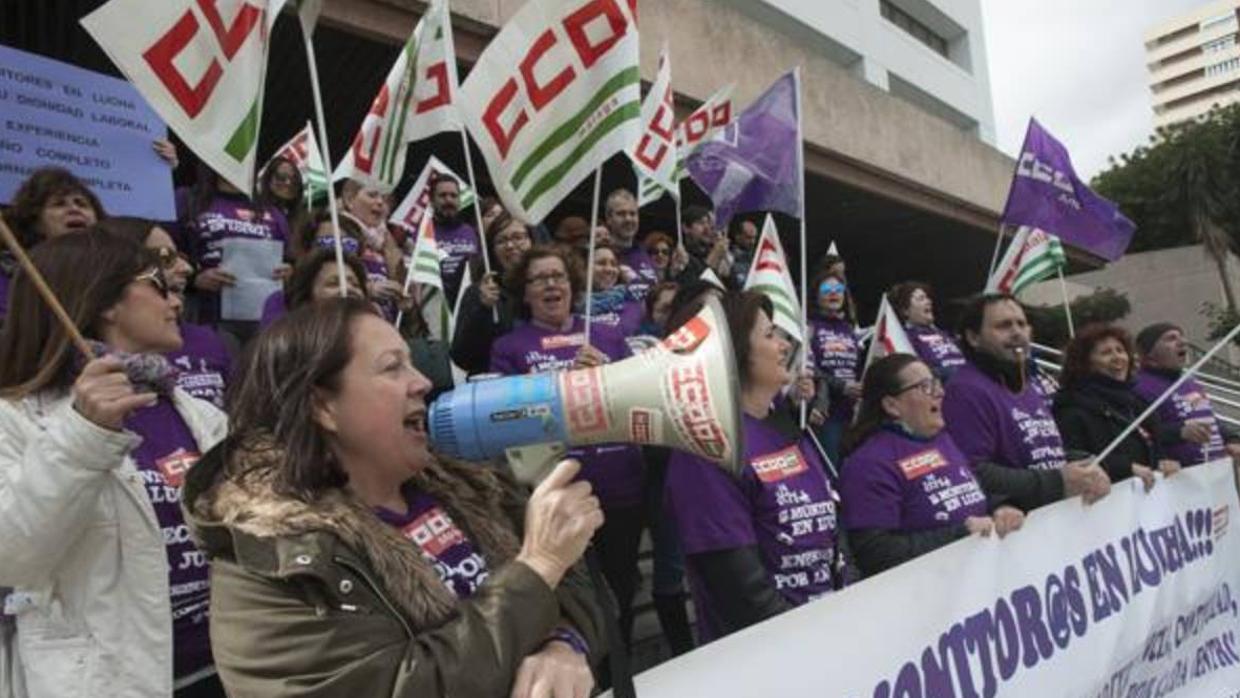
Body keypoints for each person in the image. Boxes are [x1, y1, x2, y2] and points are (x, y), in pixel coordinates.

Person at [181, 298, 605, 696]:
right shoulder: (271, 564)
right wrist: (538, 567)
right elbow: (400, 686)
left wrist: (565, 644)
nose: (422, 382)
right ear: (322, 406)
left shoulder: (467, 486)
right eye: (392, 368)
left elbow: (576, 584)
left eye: (413, 365)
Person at [0, 230, 228, 697]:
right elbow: (11, 558)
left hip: (225, 670)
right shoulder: (16, 418)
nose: (175, 295)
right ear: (105, 301)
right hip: (108, 682)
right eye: (156, 283)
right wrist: (84, 435)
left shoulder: (196, 412)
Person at [664, 291, 843, 645]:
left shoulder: (789, 430)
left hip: (828, 632)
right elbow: (741, 591)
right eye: (768, 335)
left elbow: (835, 536)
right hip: (772, 654)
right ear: (733, 352)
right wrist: (807, 640)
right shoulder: (708, 448)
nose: (784, 345)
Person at [490, 245, 646, 648]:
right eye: (539, 279)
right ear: (524, 294)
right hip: (557, 493)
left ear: (573, 284)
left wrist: (607, 377)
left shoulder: (608, 335)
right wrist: (565, 387)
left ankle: (622, 669)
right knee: (580, 599)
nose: (550, 284)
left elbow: (637, 397)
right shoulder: (509, 348)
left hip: (620, 487)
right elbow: (509, 420)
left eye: (558, 276)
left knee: (621, 589)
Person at [840, 355, 1024, 578]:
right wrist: (959, 535)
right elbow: (876, 554)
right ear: (892, 405)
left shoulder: (942, 439)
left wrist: (1001, 508)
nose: (940, 392)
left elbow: (967, 494)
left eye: (936, 382)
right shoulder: (868, 463)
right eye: (925, 387)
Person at [941, 294, 1110, 512]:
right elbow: (972, 470)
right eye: (1004, 326)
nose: (1017, 332)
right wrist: (1057, 481)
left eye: (1022, 324)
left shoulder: (1024, 382)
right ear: (973, 338)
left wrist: (1087, 463)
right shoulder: (965, 390)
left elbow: (1040, 452)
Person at [98, 216, 234, 411]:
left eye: (182, 257)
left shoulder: (208, 340)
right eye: (165, 257)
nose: (187, 269)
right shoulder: (81, 385)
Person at [1053, 324, 1179, 488]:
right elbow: (1074, 458)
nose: (1117, 357)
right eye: (1106, 353)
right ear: (1086, 363)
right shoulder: (1071, 407)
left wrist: (1163, 463)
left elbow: (1154, 446)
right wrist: (1126, 468)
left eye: (1120, 350)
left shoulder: (1137, 403)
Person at [184, 166, 290, 345]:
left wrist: (289, 272)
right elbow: (167, 252)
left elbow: (292, 260)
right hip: (210, 314)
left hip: (265, 320)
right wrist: (195, 279)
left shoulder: (272, 212)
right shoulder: (189, 199)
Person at [0, 167, 105, 320]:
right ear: (35, 222)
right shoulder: (10, 272)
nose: (74, 209)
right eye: (59, 204)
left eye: (81, 204)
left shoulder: (115, 272)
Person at [1133, 322, 1240, 467]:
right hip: (1178, 477)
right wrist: (1179, 432)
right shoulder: (1139, 387)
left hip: (1215, 471)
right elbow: (1141, 433)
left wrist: (1231, 439)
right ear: (1149, 354)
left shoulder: (1189, 383)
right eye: (1171, 338)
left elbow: (1208, 419)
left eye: (1182, 337)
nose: (1183, 342)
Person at [451, 212, 533, 376]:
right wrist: (483, 309)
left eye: (518, 237)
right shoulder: (478, 292)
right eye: (501, 241)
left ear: (532, 242)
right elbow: (462, 357)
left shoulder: (546, 287)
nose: (510, 245)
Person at [807, 270, 861, 467]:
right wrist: (841, 386)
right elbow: (807, 367)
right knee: (831, 468)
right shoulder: (810, 327)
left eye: (838, 289)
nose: (833, 293)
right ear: (816, 295)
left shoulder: (848, 328)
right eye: (827, 289)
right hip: (826, 412)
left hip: (853, 412)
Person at [889, 281, 966, 381]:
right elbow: (917, 373)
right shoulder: (904, 338)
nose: (929, 301)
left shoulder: (944, 334)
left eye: (927, 298)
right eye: (921, 299)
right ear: (905, 311)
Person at [428, 176, 479, 303]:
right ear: (432, 201)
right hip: (437, 303)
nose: (448, 200)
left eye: (453, 195)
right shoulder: (423, 233)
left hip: (470, 303)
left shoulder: (472, 231)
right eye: (442, 195)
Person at [602, 189, 659, 300]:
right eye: (621, 214)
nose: (628, 219)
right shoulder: (599, 256)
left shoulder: (644, 252)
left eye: (632, 214)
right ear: (609, 219)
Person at [261, 156, 314, 259]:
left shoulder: (307, 218)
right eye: (281, 177)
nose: (288, 183)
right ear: (268, 180)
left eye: (294, 179)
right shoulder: (256, 212)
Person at [587, 243, 643, 336]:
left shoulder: (630, 301)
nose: (609, 269)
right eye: (601, 263)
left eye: (614, 264)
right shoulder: (570, 304)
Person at [676, 206, 732, 286]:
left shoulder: (712, 250)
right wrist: (714, 256)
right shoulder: (681, 256)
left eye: (709, 223)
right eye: (700, 223)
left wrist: (725, 259)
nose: (707, 228)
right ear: (686, 228)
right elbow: (695, 286)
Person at [728, 218, 759, 288]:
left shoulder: (758, 257)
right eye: (748, 238)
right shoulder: (728, 257)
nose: (752, 242)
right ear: (738, 237)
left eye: (754, 238)